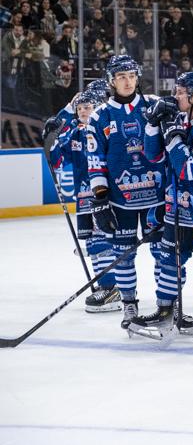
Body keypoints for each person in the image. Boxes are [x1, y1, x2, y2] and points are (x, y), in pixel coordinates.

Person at [129, 72, 193, 343]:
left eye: (180, 92)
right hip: (179, 208)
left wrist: (174, 138)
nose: (174, 97)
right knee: (169, 260)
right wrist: (153, 124)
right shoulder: (180, 122)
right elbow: (153, 155)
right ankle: (165, 311)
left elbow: (190, 169)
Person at [85, 55, 178, 331]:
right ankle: (129, 304)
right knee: (123, 255)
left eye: (132, 76)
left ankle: (167, 305)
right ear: (111, 81)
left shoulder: (153, 105)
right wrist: (100, 198)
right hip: (120, 200)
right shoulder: (100, 116)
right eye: (121, 77)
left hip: (156, 198)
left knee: (163, 252)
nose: (128, 82)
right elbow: (95, 160)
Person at [46, 81, 118, 313]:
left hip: (103, 196)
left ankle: (112, 288)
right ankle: (103, 286)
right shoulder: (75, 133)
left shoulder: (106, 129)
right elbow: (57, 160)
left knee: (103, 243)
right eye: (79, 108)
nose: (83, 111)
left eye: (87, 107)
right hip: (84, 198)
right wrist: (51, 138)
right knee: (93, 244)